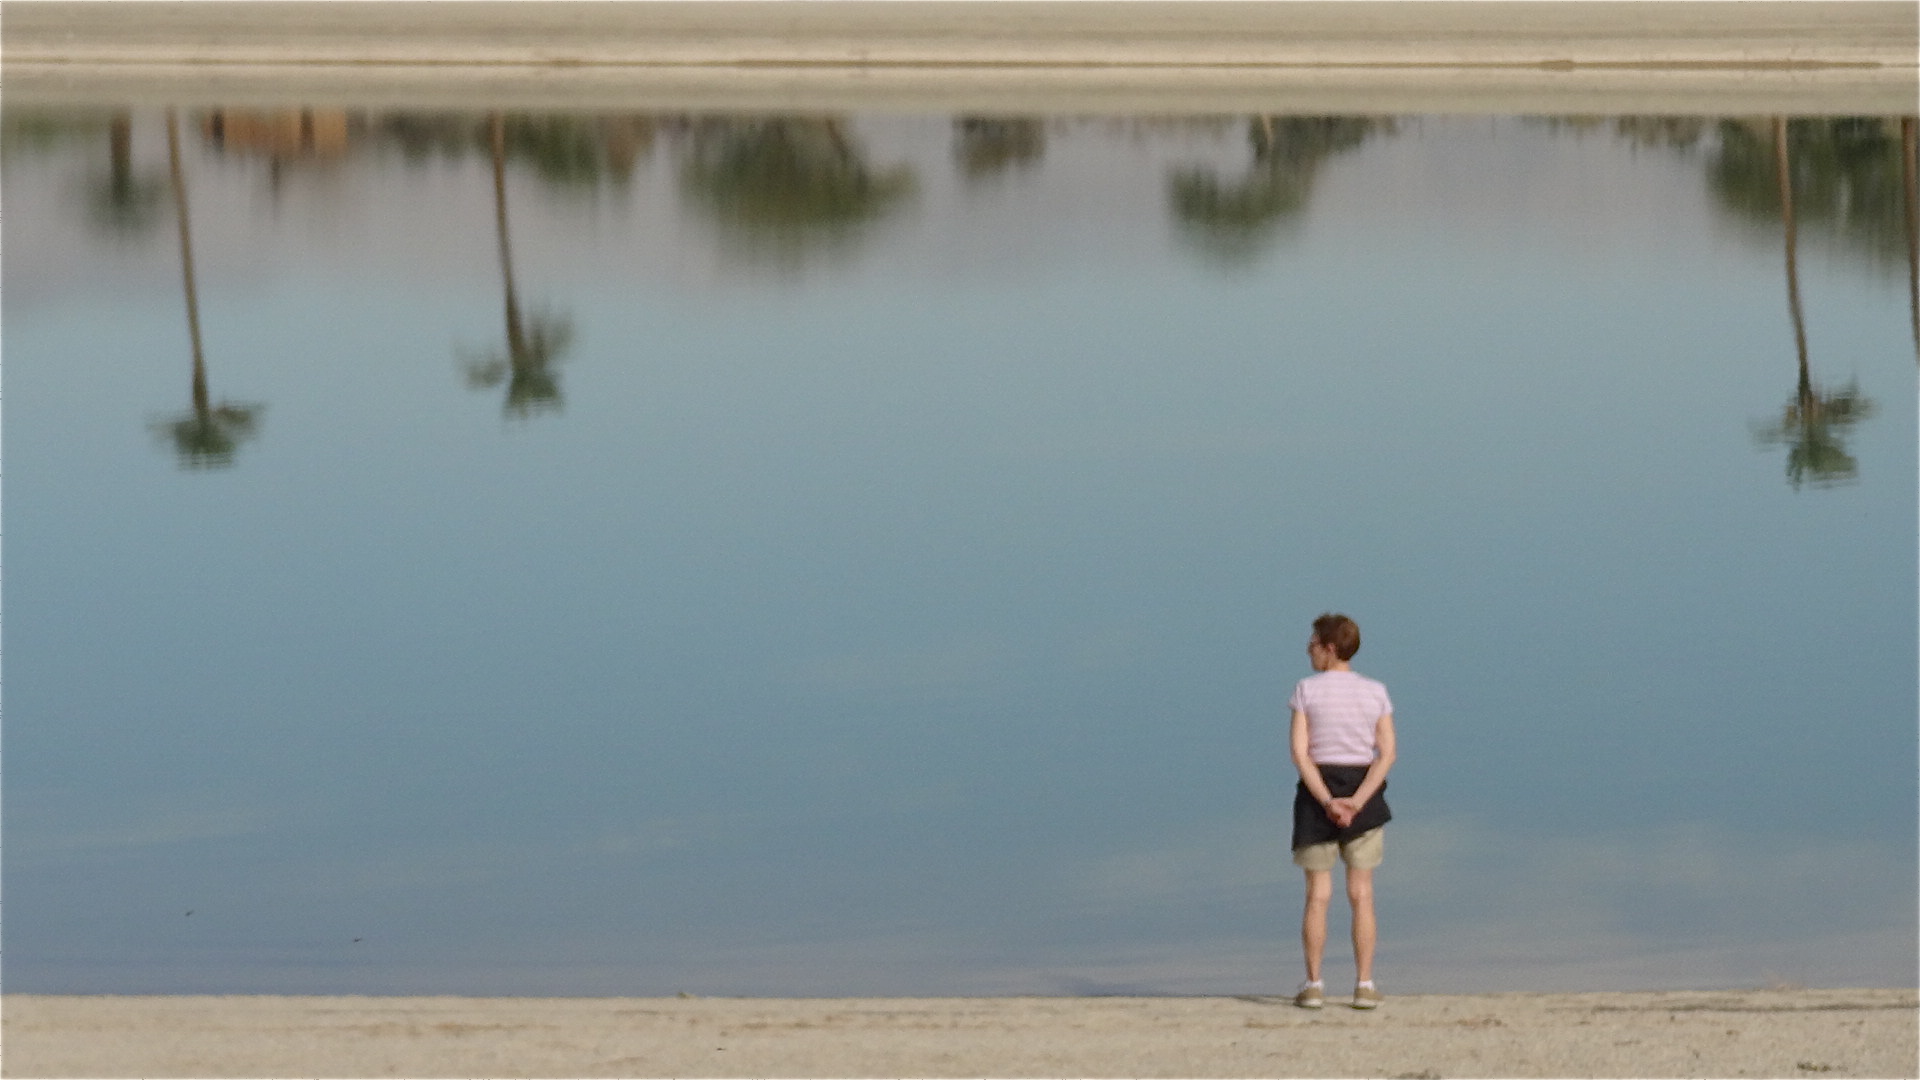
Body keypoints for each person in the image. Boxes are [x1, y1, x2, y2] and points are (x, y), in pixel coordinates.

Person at [1287, 612, 1396, 1010]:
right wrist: (1359, 800)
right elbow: (1387, 753)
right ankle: (1364, 984)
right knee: (1361, 893)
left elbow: (1301, 753)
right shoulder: (1375, 691)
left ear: (1330, 649)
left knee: (1318, 894)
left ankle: (1314, 983)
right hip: (1361, 789)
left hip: (1318, 794)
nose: (1309, 650)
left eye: (1314, 644)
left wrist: (1327, 801)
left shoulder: (1306, 690)